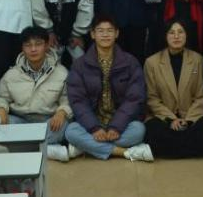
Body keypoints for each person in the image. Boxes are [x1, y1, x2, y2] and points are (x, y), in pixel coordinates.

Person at [64, 14, 152, 161]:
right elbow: (78, 101)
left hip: (122, 124)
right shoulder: (80, 65)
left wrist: (116, 126)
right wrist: (94, 128)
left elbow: (135, 98)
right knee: (71, 131)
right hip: (92, 123)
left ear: (116, 33)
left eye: (110, 30)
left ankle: (85, 147)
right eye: (100, 30)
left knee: (139, 130)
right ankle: (123, 152)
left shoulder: (130, 62)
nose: (105, 35)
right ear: (92, 34)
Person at [0, 26, 73, 157]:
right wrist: (0, 109)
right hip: (21, 121)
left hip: (49, 121)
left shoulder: (61, 72)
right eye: (28, 45)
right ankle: (48, 150)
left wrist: (62, 112)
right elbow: (1, 98)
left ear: (47, 46)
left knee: (63, 125)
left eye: (38, 44)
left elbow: (68, 100)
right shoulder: (11, 74)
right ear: (22, 48)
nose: (33, 49)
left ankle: (22, 148)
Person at [143, 19, 203, 158]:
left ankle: (173, 149)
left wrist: (188, 121)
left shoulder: (198, 60)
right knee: (152, 130)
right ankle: (191, 149)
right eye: (171, 33)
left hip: (191, 119)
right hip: (164, 119)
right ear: (165, 36)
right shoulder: (151, 62)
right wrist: (171, 120)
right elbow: (152, 99)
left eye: (180, 32)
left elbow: (201, 97)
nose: (176, 36)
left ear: (186, 35)